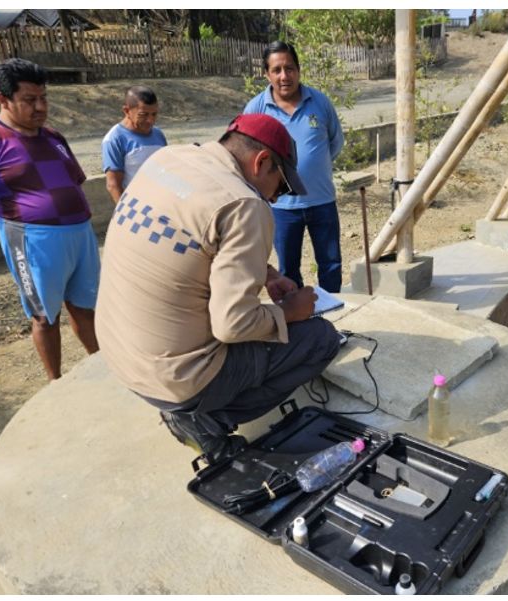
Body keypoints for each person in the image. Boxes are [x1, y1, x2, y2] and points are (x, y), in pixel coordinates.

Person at [96, 113, 344, 463]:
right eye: (282, 185)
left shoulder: (168, 159)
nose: (276, 198)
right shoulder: (245, 204)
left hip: (122, 355)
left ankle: (194, 407)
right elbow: (232, 325)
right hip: (177, 378)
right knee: (320, 338)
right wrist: (291, 312)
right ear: (262, 162)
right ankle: (206, 420)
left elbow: (190, 244)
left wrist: (267, 274)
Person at [0, 58, 99, 380]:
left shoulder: (54, 136)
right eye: (29, 100)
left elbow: (74, 180)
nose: (40, 107)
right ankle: (55, 382)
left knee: (86, 307)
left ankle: (103, 369)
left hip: (80, 235)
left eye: (43, 98)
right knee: (45, 315)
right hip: (33, 241)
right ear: (2, 99)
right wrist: (15, 224)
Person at [242, 41, 346, 293]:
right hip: (281, 208)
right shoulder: (256, 108)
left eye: (289, 68)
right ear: (266, 74)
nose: (284, 76)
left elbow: (335, 142)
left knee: (331, 266)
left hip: (322, 201)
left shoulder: (320, 103)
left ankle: (334, 322)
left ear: (298, 70)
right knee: (288, 269)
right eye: (276, 70)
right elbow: (244, 154)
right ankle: (296, 326)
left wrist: (312, 169)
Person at [102, 85, 168, 203]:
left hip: (162, 206)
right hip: (138, 211)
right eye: (143, 115)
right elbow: (113, 186)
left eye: (154, 114)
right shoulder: (114, 139)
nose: (150, 120)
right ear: (127, 111)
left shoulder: (159, 135)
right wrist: (128, 214)